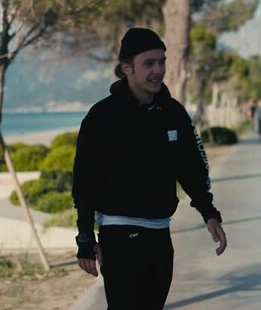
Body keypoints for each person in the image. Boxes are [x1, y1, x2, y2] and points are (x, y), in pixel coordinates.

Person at [72, 28, 227, 309]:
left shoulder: (173, 112)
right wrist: (85, 237)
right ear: (126, 69)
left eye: (162, 61)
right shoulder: (103, 116)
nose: (158, 70)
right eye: (149, 63)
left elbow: (190, 167)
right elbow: (85, 181)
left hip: (160, 233)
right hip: (119, 234)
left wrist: (209, 213)